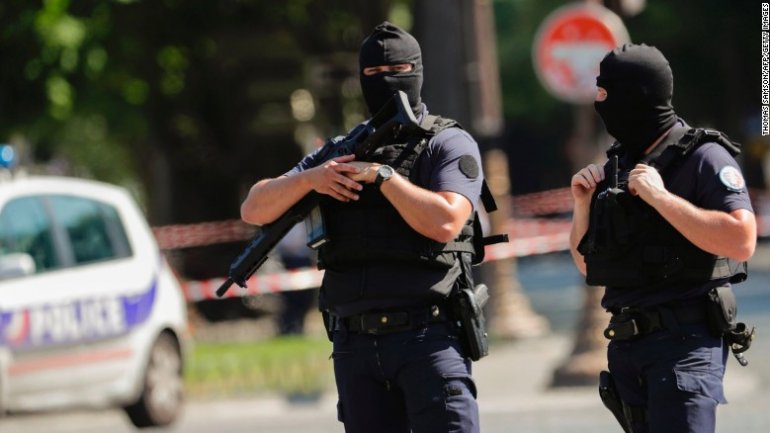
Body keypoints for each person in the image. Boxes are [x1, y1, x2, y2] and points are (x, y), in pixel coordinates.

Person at [240, 22, 485, 433]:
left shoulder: (447, 144)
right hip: (355, 346)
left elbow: (446, 220)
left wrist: (384, 177)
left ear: (418, 72)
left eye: (400, 69)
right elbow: (254, 208)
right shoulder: (340, 151)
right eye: (371, 74)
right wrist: (310, 179)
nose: (385, 81)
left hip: (428, 338)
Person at [569, 43, 757, 433]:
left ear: (637, 98)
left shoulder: (705, 157)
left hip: (685, 345)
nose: (599, 105)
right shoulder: (617, 165)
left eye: (606, 95)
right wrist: (582, 206)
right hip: (628, 349)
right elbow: (589, 265)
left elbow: (742, 239)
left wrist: (661, 198)